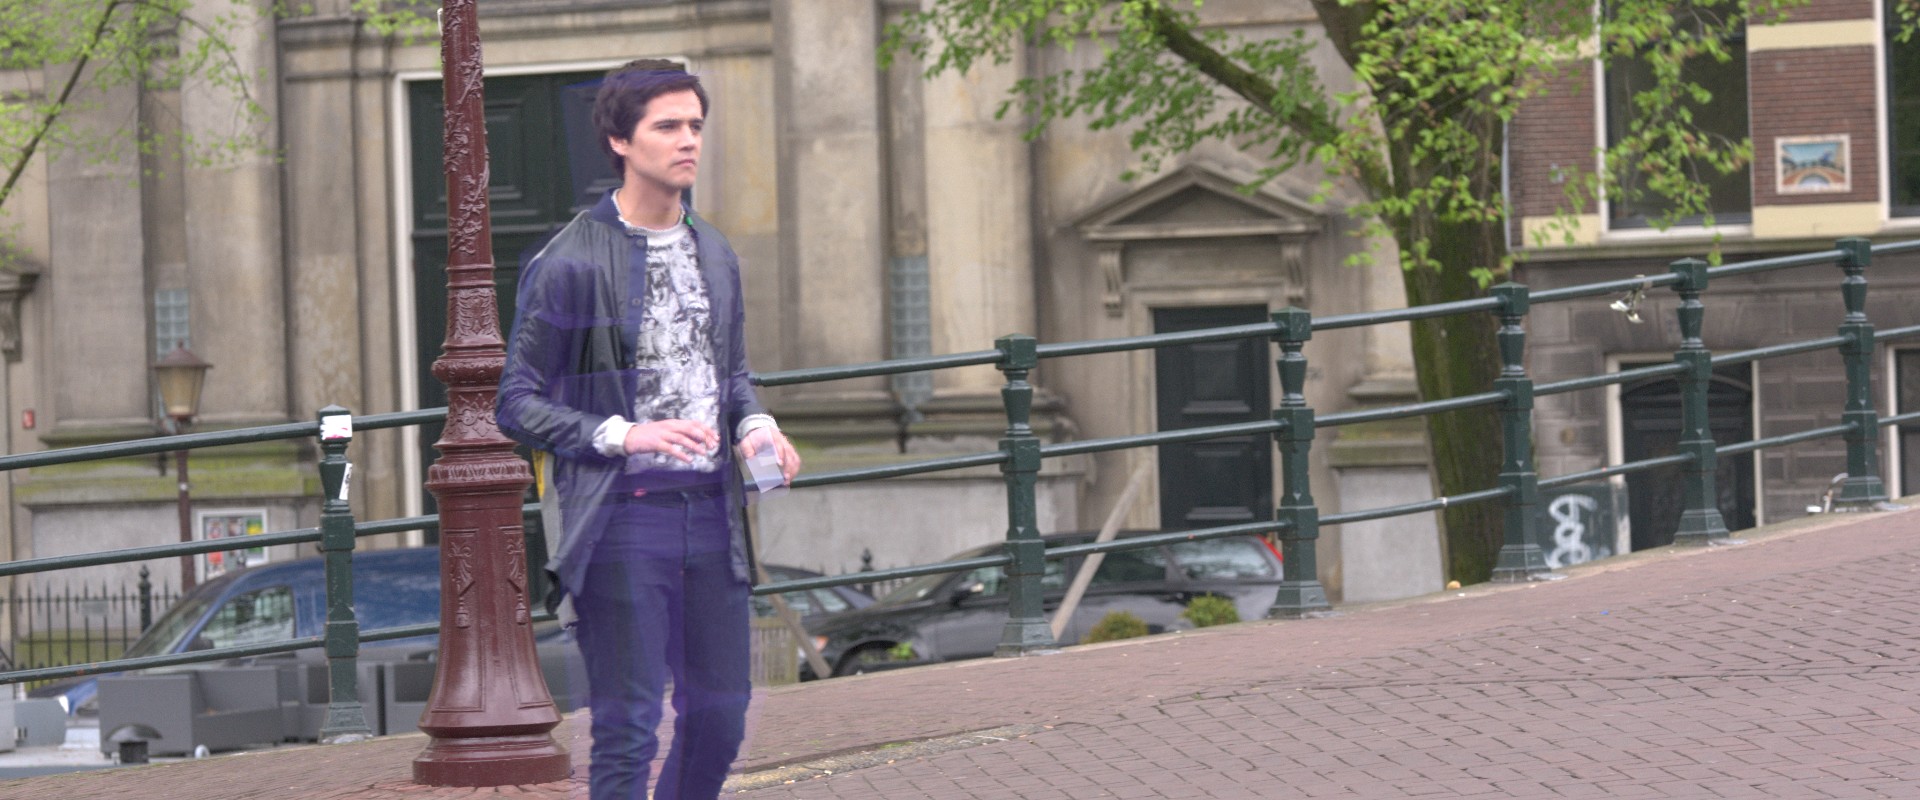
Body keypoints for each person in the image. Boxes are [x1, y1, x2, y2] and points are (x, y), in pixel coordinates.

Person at [496, 58, 800, 800]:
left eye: (695, 125)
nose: (688, 140)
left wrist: (758, 425)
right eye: (667, 126)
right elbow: (516, 402)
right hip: (622, 521)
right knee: (629, 727)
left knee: (721, 716)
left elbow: (731, 374)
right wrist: (625, 434)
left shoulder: (715, 251)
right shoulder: (568, 260)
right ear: (620, 141)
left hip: (714, 515)